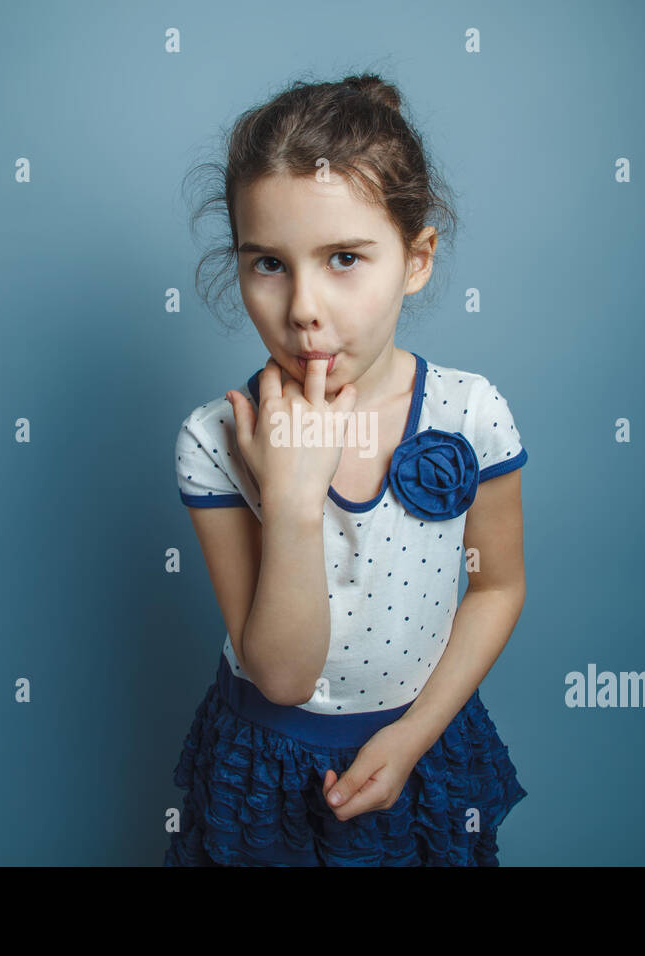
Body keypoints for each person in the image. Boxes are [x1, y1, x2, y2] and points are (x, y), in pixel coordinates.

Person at [165, 72, 529, 866]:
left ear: (417, 257)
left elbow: (498, 585)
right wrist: (293, 500)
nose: (301, 306)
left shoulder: (469, 413)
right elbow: (284, 677)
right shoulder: (214, 438)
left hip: (422, 739)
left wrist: (410, 738)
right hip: (268, 764)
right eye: (267, 263)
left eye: (342, 258)